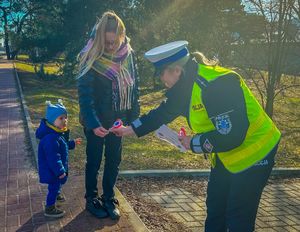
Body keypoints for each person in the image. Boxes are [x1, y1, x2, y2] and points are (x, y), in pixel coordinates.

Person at [111, 41, 281, 231]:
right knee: (216, 209)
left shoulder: (216, 85)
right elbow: (160, 114)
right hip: (227, 156)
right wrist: (129, 129)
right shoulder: (184, 88)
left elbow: (232, 134)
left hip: (256, 152)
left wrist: (194, 143)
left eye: (160, 73)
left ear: (176, 70)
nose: (159, 79)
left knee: (238, 218)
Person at [77, 11, 140, 220]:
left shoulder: (128, 55)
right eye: (107, 42)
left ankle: (109, 197)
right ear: (100, 38)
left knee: (114, 160)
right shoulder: (89, 55)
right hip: (96, 122)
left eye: (115, 42)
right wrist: (94, 124)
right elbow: (85, 97)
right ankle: (91, 199)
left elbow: (134, 89)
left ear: (121, 36)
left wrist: (131, 122)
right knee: (93, 162)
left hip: (118, 121)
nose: (111, 47)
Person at [36, 99, 82, 218]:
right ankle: (50, 208)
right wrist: (60, 171)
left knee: (56, 185)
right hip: (52, 170)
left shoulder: (56, 133)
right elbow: (53, 157)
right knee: (54, 186)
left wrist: (72, 143)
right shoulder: (51, 138)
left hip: (54, 169)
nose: (64, 120)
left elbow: (63, 146)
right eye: (60, 118)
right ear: (52, 120)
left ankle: (56, 194)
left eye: (65, 117)